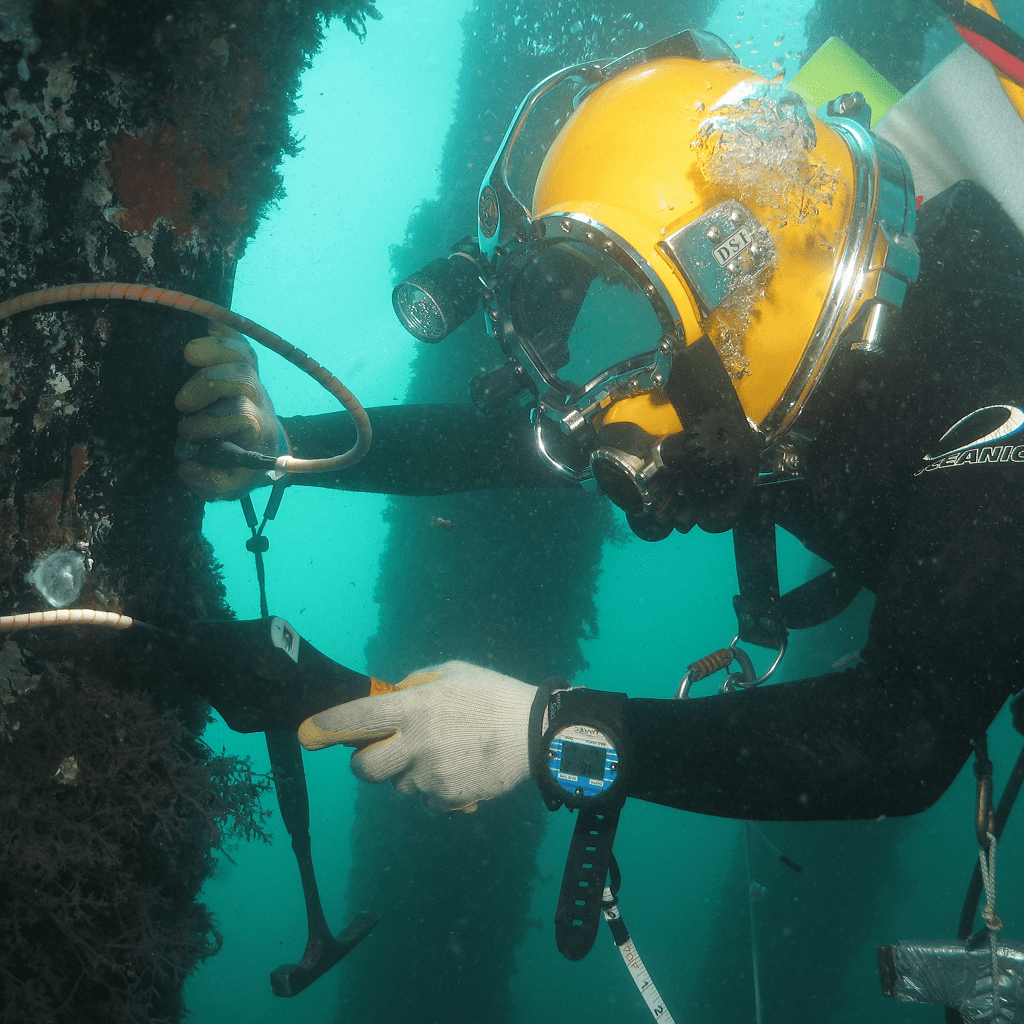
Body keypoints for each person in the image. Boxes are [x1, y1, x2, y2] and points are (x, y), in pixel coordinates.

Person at [175, 29, 1024, 832]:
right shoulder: (766, 367)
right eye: (584, 309)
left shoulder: (991, 368)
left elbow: (901, 739)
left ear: (744, 296)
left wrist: (552, 733)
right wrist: (282, 446)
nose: (585, 402)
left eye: (630, 319)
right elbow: (494, 447)